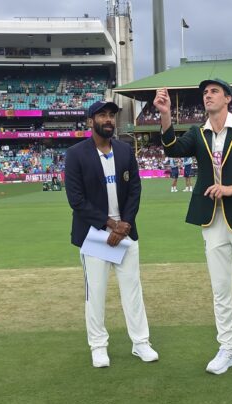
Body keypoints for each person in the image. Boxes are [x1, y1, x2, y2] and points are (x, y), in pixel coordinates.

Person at [153, 79, 232, 375]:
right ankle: (227, 348)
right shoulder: (199, 133)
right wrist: (165, 114)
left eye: (213, 92)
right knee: (220, 287)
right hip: (212, 220)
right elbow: (172, 148)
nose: (207, 96)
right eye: (204, 93)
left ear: (227, 98)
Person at [64, 100, 158, 368]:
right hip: (95, 234)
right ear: (90, 121)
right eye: (102, 115)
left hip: (125, 231)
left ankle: (140, 343)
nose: (108, 119)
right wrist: (110, 225)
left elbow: (135, 190)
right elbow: (76, 200)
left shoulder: (125, 150)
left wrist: (125, 224)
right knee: (95, 292)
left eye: (111, 115)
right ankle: (98, 346)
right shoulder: (76, 154)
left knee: (133, 290)